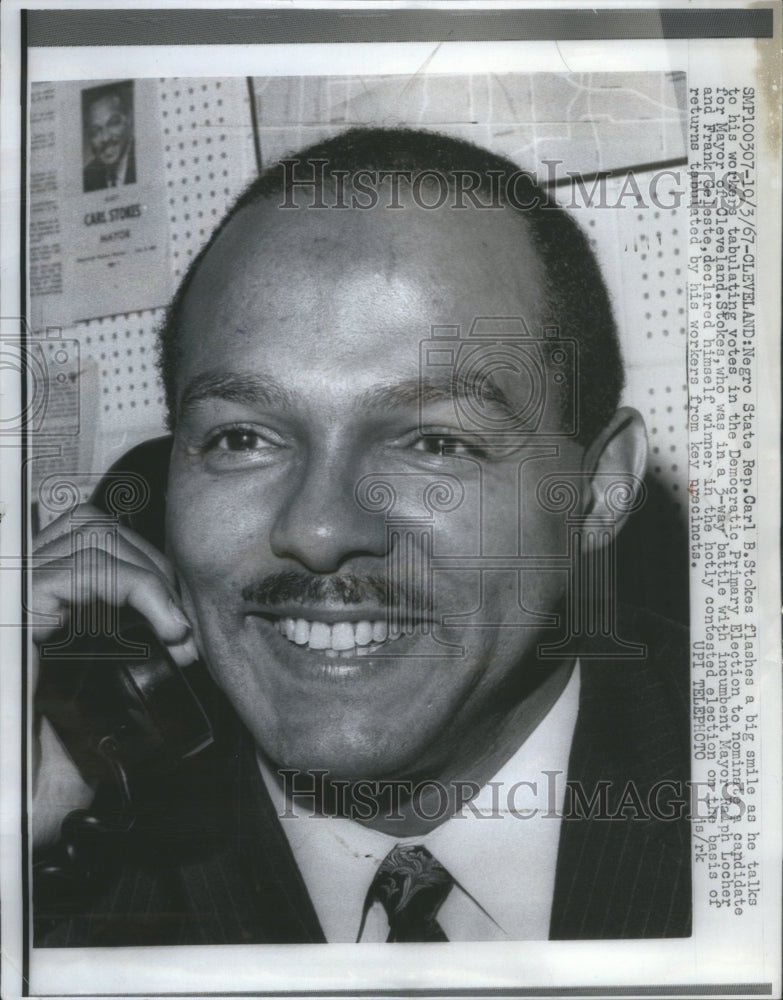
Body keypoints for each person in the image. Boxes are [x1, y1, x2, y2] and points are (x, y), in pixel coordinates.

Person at [32, 127, 691, 945]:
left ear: (597, 489)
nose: (316, 530)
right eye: (242, 437)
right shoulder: (63, 874)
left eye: (434, 442)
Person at [82, 86, 136, 192]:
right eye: (95, 131)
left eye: (113, 123)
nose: (105, 138)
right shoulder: (87, 177)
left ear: (129, 121)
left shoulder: (148, 158)